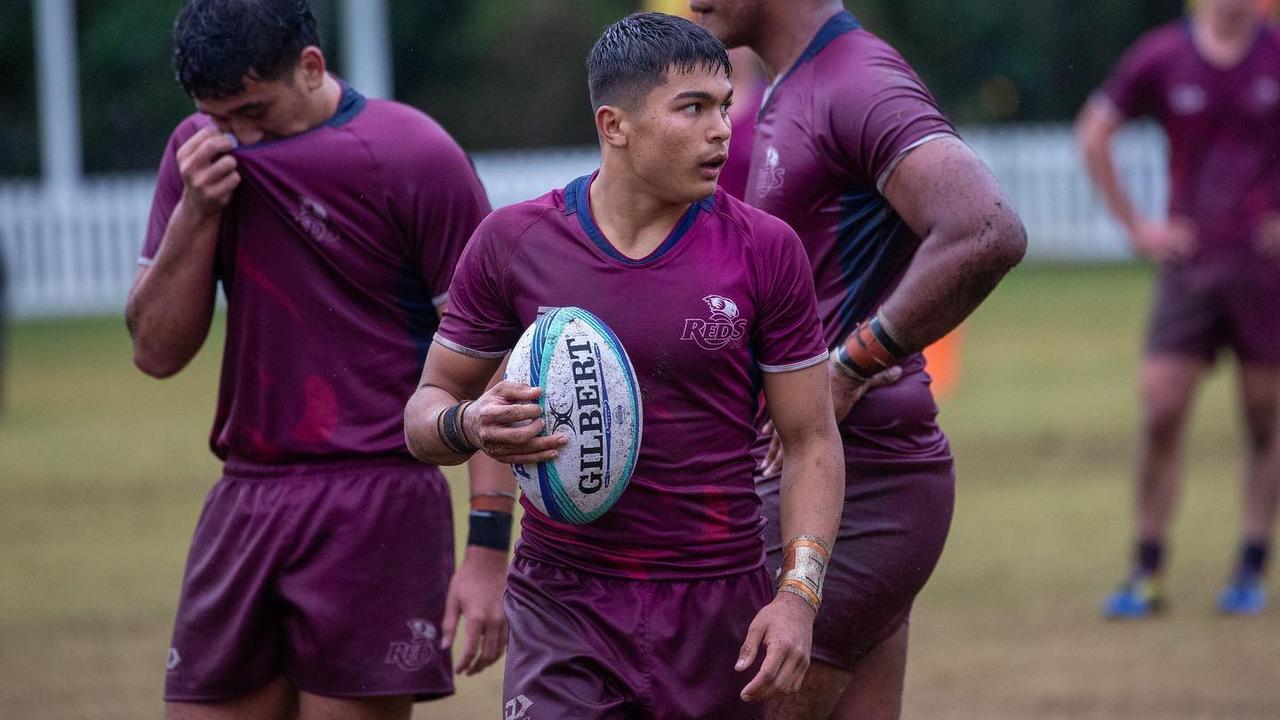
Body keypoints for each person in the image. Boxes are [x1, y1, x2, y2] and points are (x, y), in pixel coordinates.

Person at [404, 13, 845, 719]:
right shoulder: (514, 244)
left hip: (716, 604)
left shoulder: (766, 250)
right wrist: (470, 422)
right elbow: (424, 411)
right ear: (615, 125)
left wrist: (798, 595)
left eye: (725, 106)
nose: (722, 130)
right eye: (693, 108)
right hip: (562, 601)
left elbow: (812, 440)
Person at [124, 1, 496, 717]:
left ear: (312, 67)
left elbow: (491, 370)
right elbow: (155, 353)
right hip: (247, 494)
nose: (239, 134)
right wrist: (196, 213)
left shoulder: (415, 156)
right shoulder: (200, 156)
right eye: (218, 116)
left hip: (378, 500)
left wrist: (486, 550)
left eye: (254, 111)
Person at [693, 2, 1028, 719]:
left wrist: (847, 365)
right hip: (845, 476)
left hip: (863, 476)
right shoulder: (792, 85)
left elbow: (986, 227)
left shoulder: (855, 80)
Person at [1077, 0, 1280, 618]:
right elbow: (1094, 131)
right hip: (1188, 268)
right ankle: (1147, 567)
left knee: (1262, 419)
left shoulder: (1275, 52)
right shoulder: (1163, 55)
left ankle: (1250, 562)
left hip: (1264, 273)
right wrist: (1138, 227)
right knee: (1161, 408)